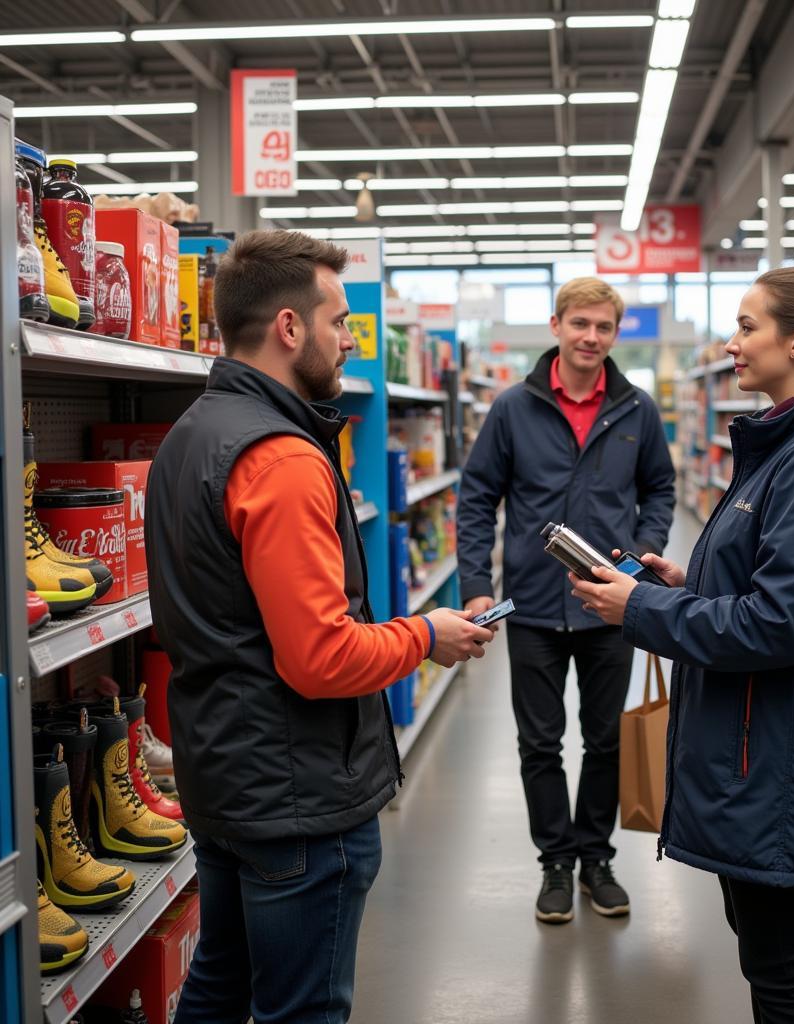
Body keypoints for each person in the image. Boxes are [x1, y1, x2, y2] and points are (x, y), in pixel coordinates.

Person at [146, 229, 494, 1024]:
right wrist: (425, 635)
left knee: (219, 984)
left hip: (223, 775)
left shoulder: (189, 435)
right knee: (302, 1011)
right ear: (290, 329)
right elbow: (320, 657)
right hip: (296, 795)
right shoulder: (283, 459)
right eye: (339, 320)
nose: (350, 339)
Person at [570, 267, 794, 1023]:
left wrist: (642, 609)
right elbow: (778, 588)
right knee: (770, 956)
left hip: (783, 766)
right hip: (765, 755)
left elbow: (779, 625)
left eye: (747, 326)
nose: (731, 343)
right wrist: (687, 581)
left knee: (784, 968)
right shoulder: (787, 448)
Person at [457, 276, 676, 923]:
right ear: (556, 325)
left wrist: (639, 556)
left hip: (612, 605)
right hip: (531, 606)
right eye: (581, 323)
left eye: (604, 327)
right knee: (539, 743)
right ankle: (555, 861)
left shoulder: (637, 409)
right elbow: (476, 499)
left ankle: (596, 858)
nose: (591, 337)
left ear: (615, 334)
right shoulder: (512, 409)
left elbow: (661, 489)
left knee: (607, 742)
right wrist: (476, 586)